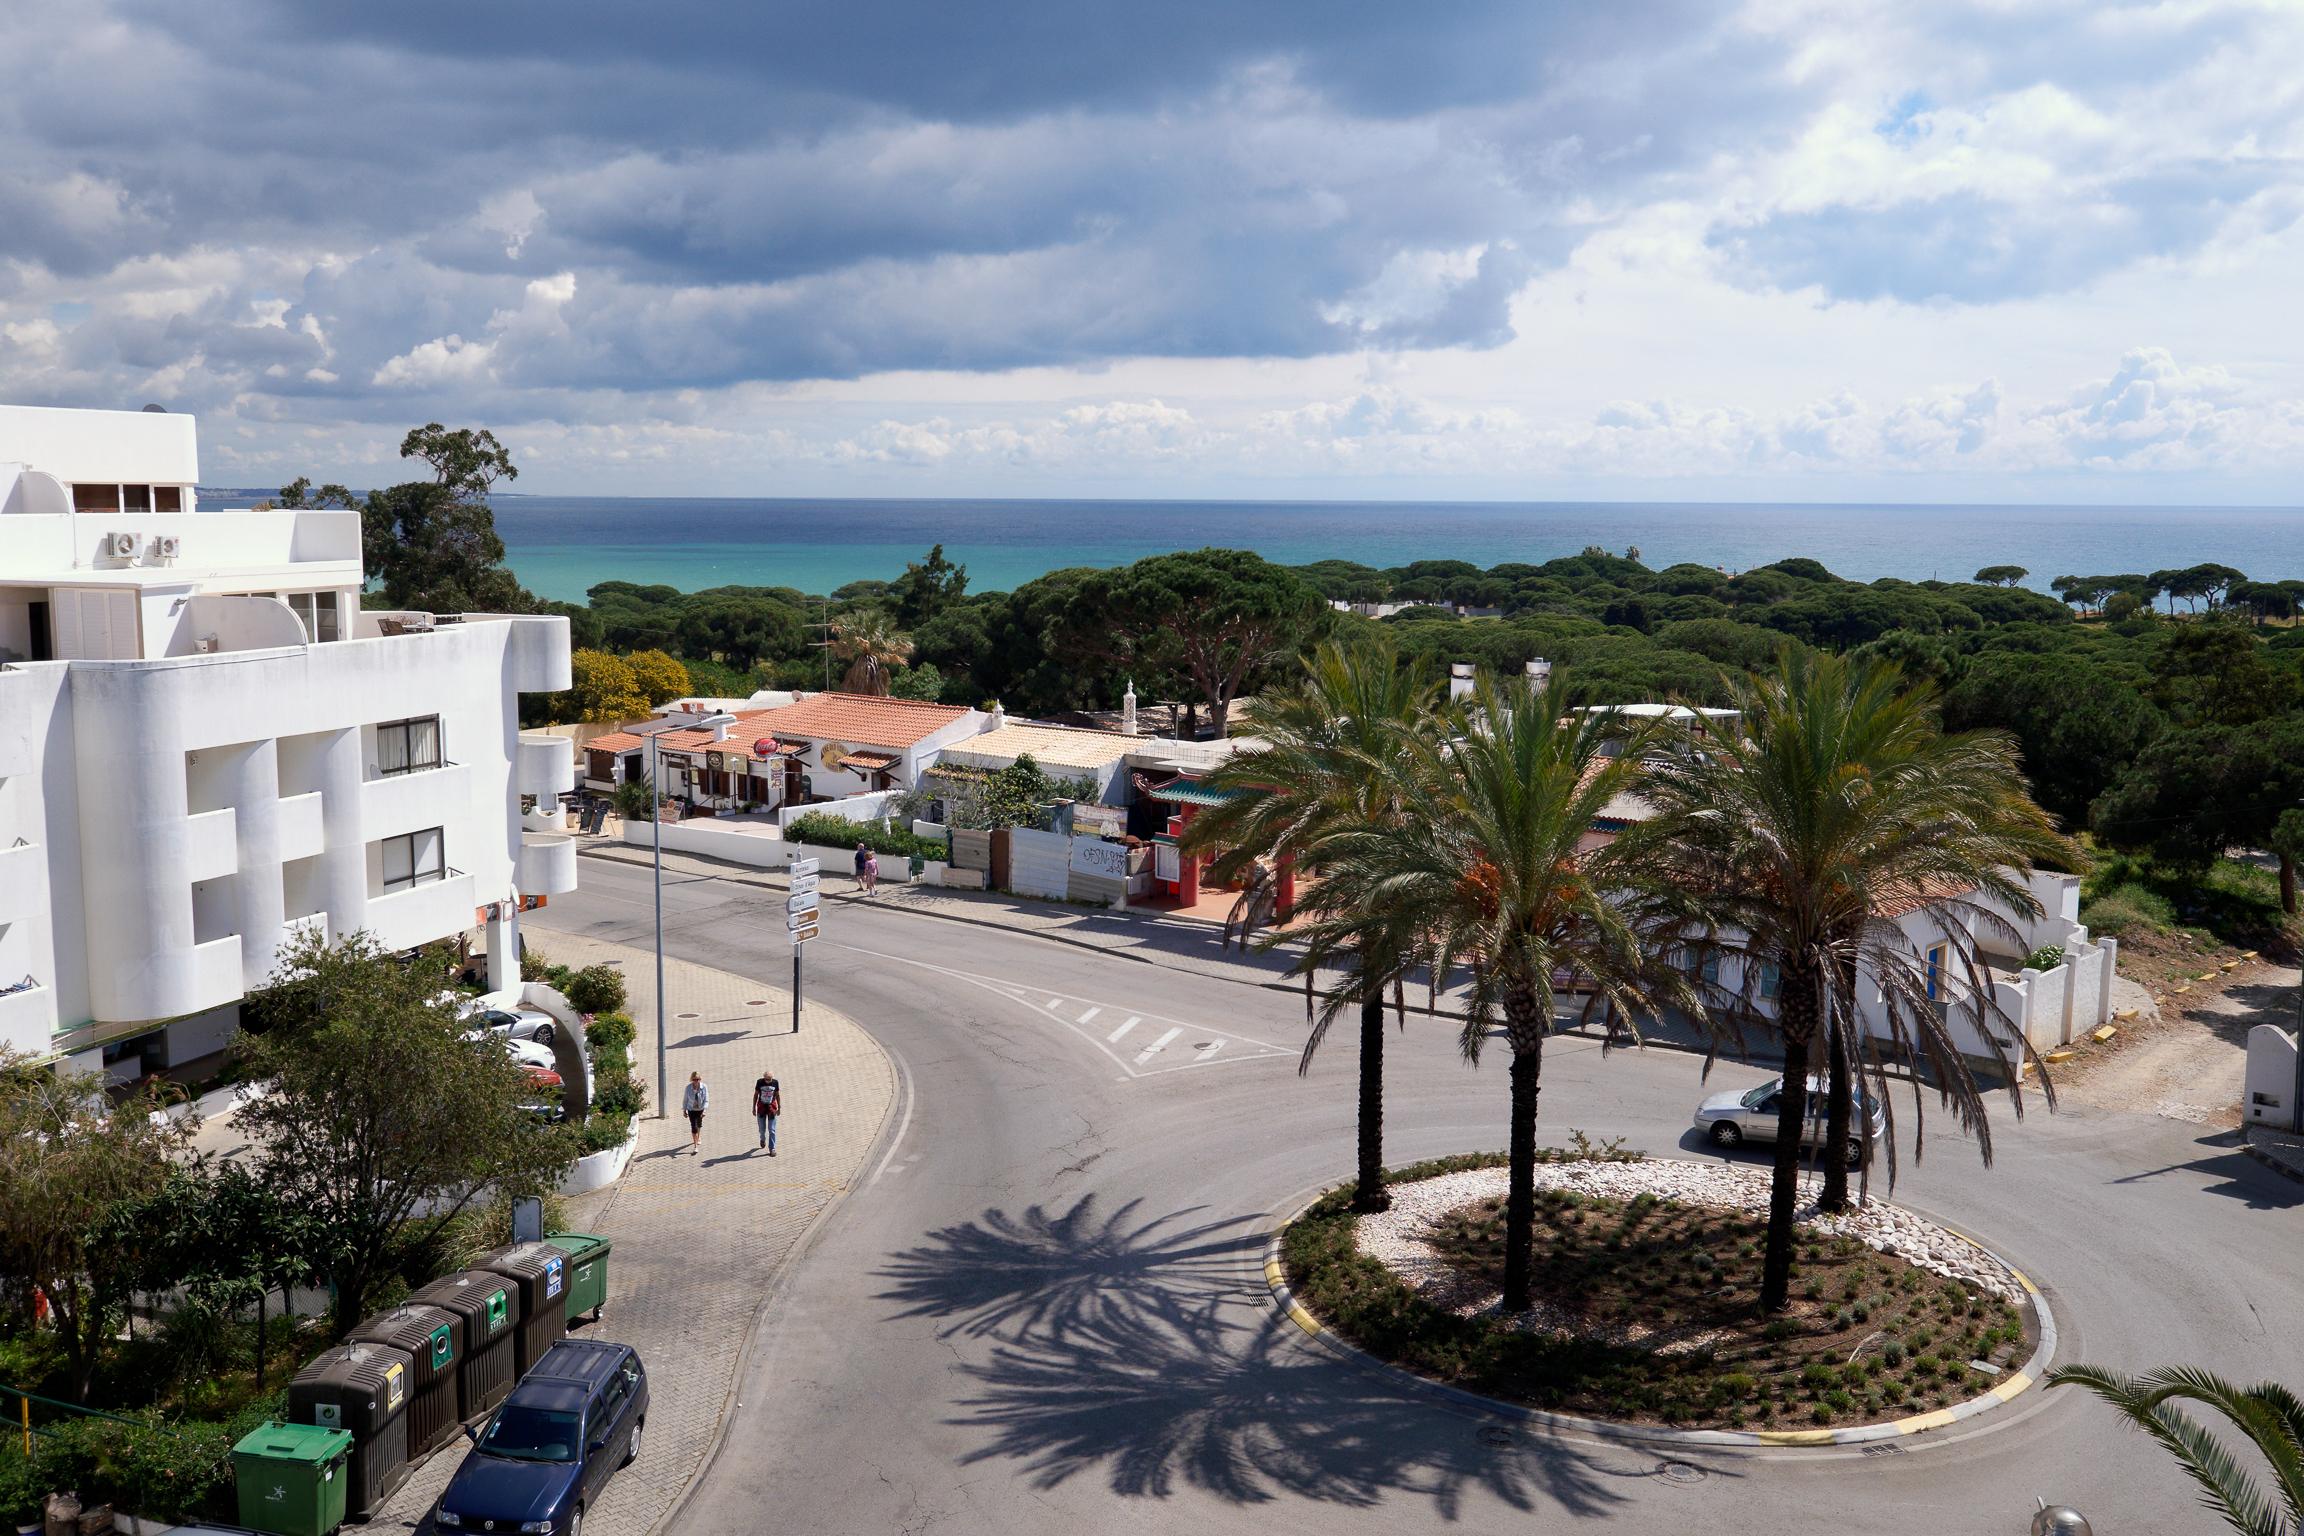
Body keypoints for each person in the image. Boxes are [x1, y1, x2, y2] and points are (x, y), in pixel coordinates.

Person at [753, 1070, 782, 1155]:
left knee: (772, 1130)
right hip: (761, 1108)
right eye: (767, 1079)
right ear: (764, 1078)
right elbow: (755, 1095)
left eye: (770, 1079)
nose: (768, 1081)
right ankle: (762, 1139)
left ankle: (772, 1148)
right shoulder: (759, 1082)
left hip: (771, 1109)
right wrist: (754, 1108)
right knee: (762, 1130)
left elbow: (777, 1095)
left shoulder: (775, 1083)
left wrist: (779, 1108)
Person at [682, 1071, 708, 1156]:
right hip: (691, 1109)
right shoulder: (688, 1088)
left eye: (697, 1079)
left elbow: (706, 1099)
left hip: (700, 1109)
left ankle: (698, 1137)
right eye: (694, 1079)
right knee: (694, 1126)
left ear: (700, 1079)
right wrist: (684, 1110)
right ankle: (695, 1146)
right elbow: (685, 1099)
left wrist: (704, 1110)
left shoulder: (704, 1087)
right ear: (692, 1079)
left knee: (699, 1124)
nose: (696, 1081)